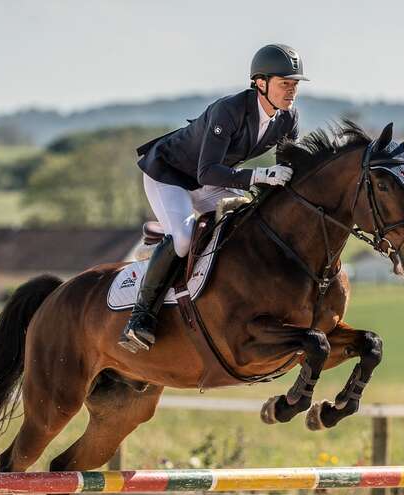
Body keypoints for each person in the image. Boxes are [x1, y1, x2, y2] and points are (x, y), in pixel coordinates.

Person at [119, 43, 307, 352]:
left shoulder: (288, 118)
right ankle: (140, 318)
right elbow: (206, 172)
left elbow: (289, 166)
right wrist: (259, 176)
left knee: (250, 225)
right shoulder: (229, 110)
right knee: (182, 238)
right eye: (284, 83)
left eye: (295, 84)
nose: (291, 91)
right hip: (170, 174)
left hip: (213, 180)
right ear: (260, 83)